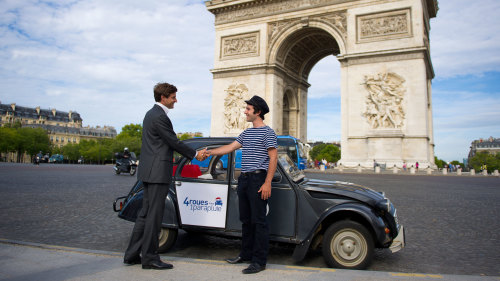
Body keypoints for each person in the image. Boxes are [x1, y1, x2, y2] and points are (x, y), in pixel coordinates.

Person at [123, 82, 207, 270]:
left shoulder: (150, 114)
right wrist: (195, 154)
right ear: (163, 97)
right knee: (154, 216)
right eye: (173, 97)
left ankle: (132, 254)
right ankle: (150, 257)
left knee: (144, 214)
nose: (176, 100)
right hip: (158, 173)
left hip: (147, 171)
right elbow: (173, 141)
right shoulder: (160, 117)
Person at [206, 95, 278, 274]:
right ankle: (245, 254)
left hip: (258, 179)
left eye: (248, 109)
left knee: (259, 221)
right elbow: (229, 148)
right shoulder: (246, 133)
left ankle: (259, 261)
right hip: (244, 179)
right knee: (246, 220)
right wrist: (208, 152)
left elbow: (273, 157)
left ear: (258, 112)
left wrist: (267, 182)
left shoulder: (268, 132)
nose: (244, 112)